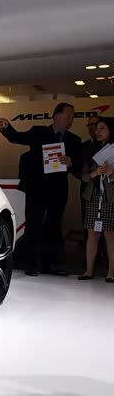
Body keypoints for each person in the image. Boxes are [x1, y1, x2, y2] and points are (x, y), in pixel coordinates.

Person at [0, 102, 83, 276]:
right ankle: (31, 264)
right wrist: (7, 128)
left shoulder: (74, 140)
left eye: (72, 118)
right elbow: (18, 137)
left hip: (58, 191)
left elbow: (79, 167)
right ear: (56, 115)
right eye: (68, 117)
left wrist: (71, 162)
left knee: (53, 227)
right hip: (36, 188)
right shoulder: (39, 132)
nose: (70, 121)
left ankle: (49, 264)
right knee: (33, 226)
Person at [78, 117, 114, 282]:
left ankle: (111, 272)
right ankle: (89, 270)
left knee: (110, 235)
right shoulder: (90, 150)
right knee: (92, 234)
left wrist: (111, 172)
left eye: (102, 128)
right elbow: (83, 176)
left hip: (110, 198)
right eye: (97, 128)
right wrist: (95, 172)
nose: (98, 132)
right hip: (93, 196)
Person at [80, 115, 101, 228]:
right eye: (89, 125)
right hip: (86, 189)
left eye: (94, 124)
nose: (91, 127)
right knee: (87, 223)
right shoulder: (83, 146)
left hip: (105, 192)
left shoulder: (109, 146)